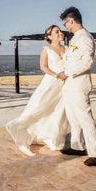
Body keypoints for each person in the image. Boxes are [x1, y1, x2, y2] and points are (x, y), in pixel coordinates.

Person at [5, 25, 70, 156]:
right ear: (50, 36)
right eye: (56, 32)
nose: (60, 33)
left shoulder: (67, 49)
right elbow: (43, 67)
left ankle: (53, 139)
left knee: (58, 112)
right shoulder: (46, 49)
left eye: (60, 31)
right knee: (39, 108)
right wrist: (57, 75)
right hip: (51, 82)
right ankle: (19, 128)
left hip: (64, 85)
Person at [58, 6, 96, 166]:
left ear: (71, 20)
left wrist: (67, 73)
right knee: (73, 118)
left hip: (79, 84)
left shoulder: (85, 38)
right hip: (69, 85)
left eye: (66, 24)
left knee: (85, 119)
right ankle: (77, 146)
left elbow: (87, 62)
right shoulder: (75, 38)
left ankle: (95, 154)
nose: (66, 27)